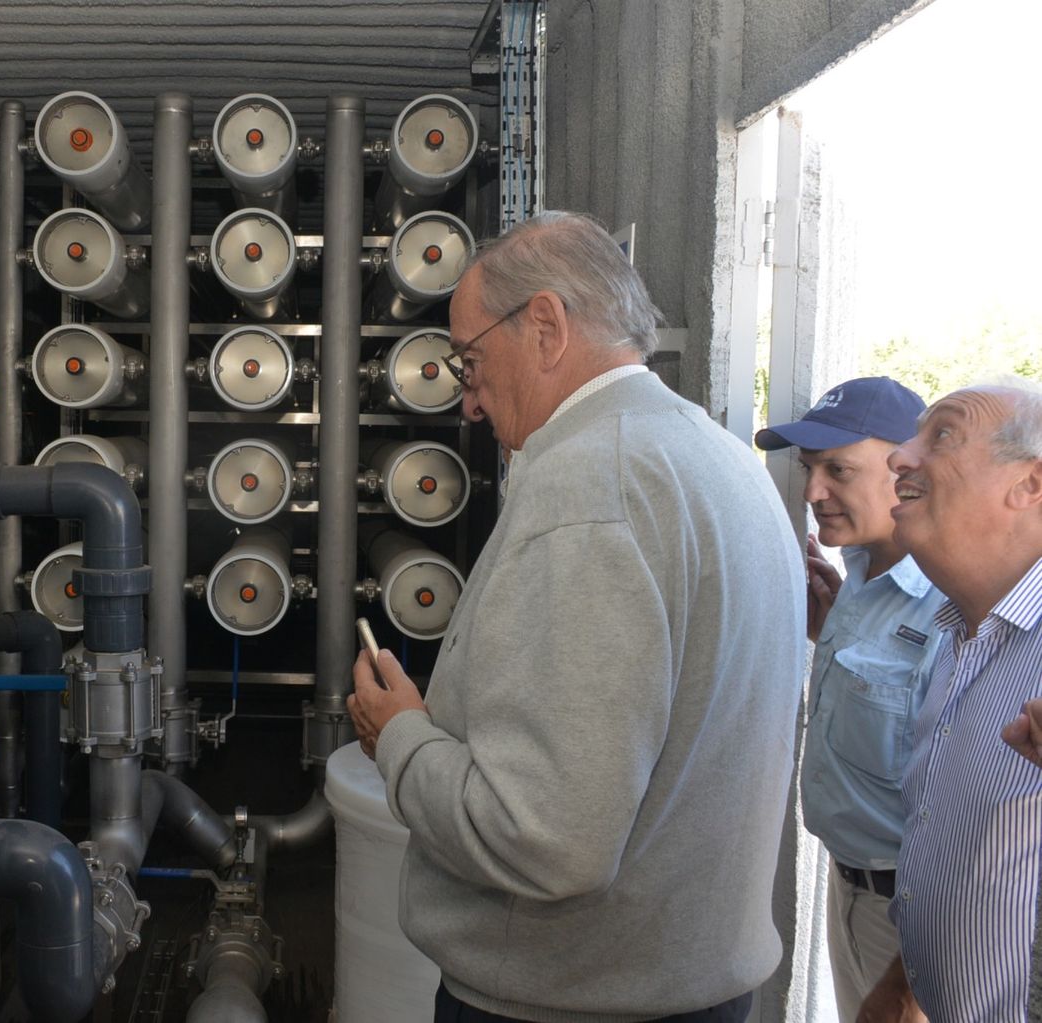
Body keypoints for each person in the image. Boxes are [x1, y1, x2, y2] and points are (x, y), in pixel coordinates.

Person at [346, 212, 806, 1023]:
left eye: (472, 360)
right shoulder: (724, 459)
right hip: (692, 980)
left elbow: (548, 835)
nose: (470, 402)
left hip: (572, 1000)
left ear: (548, 325)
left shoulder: (590, 487)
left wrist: (402, 737)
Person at [754, 377, 945, 1022]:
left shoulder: (957, 606)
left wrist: (911, 981)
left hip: (916, 922)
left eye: (838, 469)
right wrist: (830, 630)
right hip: (851, 890)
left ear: (907, 469)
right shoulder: (858, 579)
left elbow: (977, 822)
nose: (812, 493)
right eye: (809, 469)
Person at [856, 380, 1042, 1022]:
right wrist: (903, 984)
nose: (899, 457)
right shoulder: (955, 631)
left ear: (1031, 485)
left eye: (942, 435)